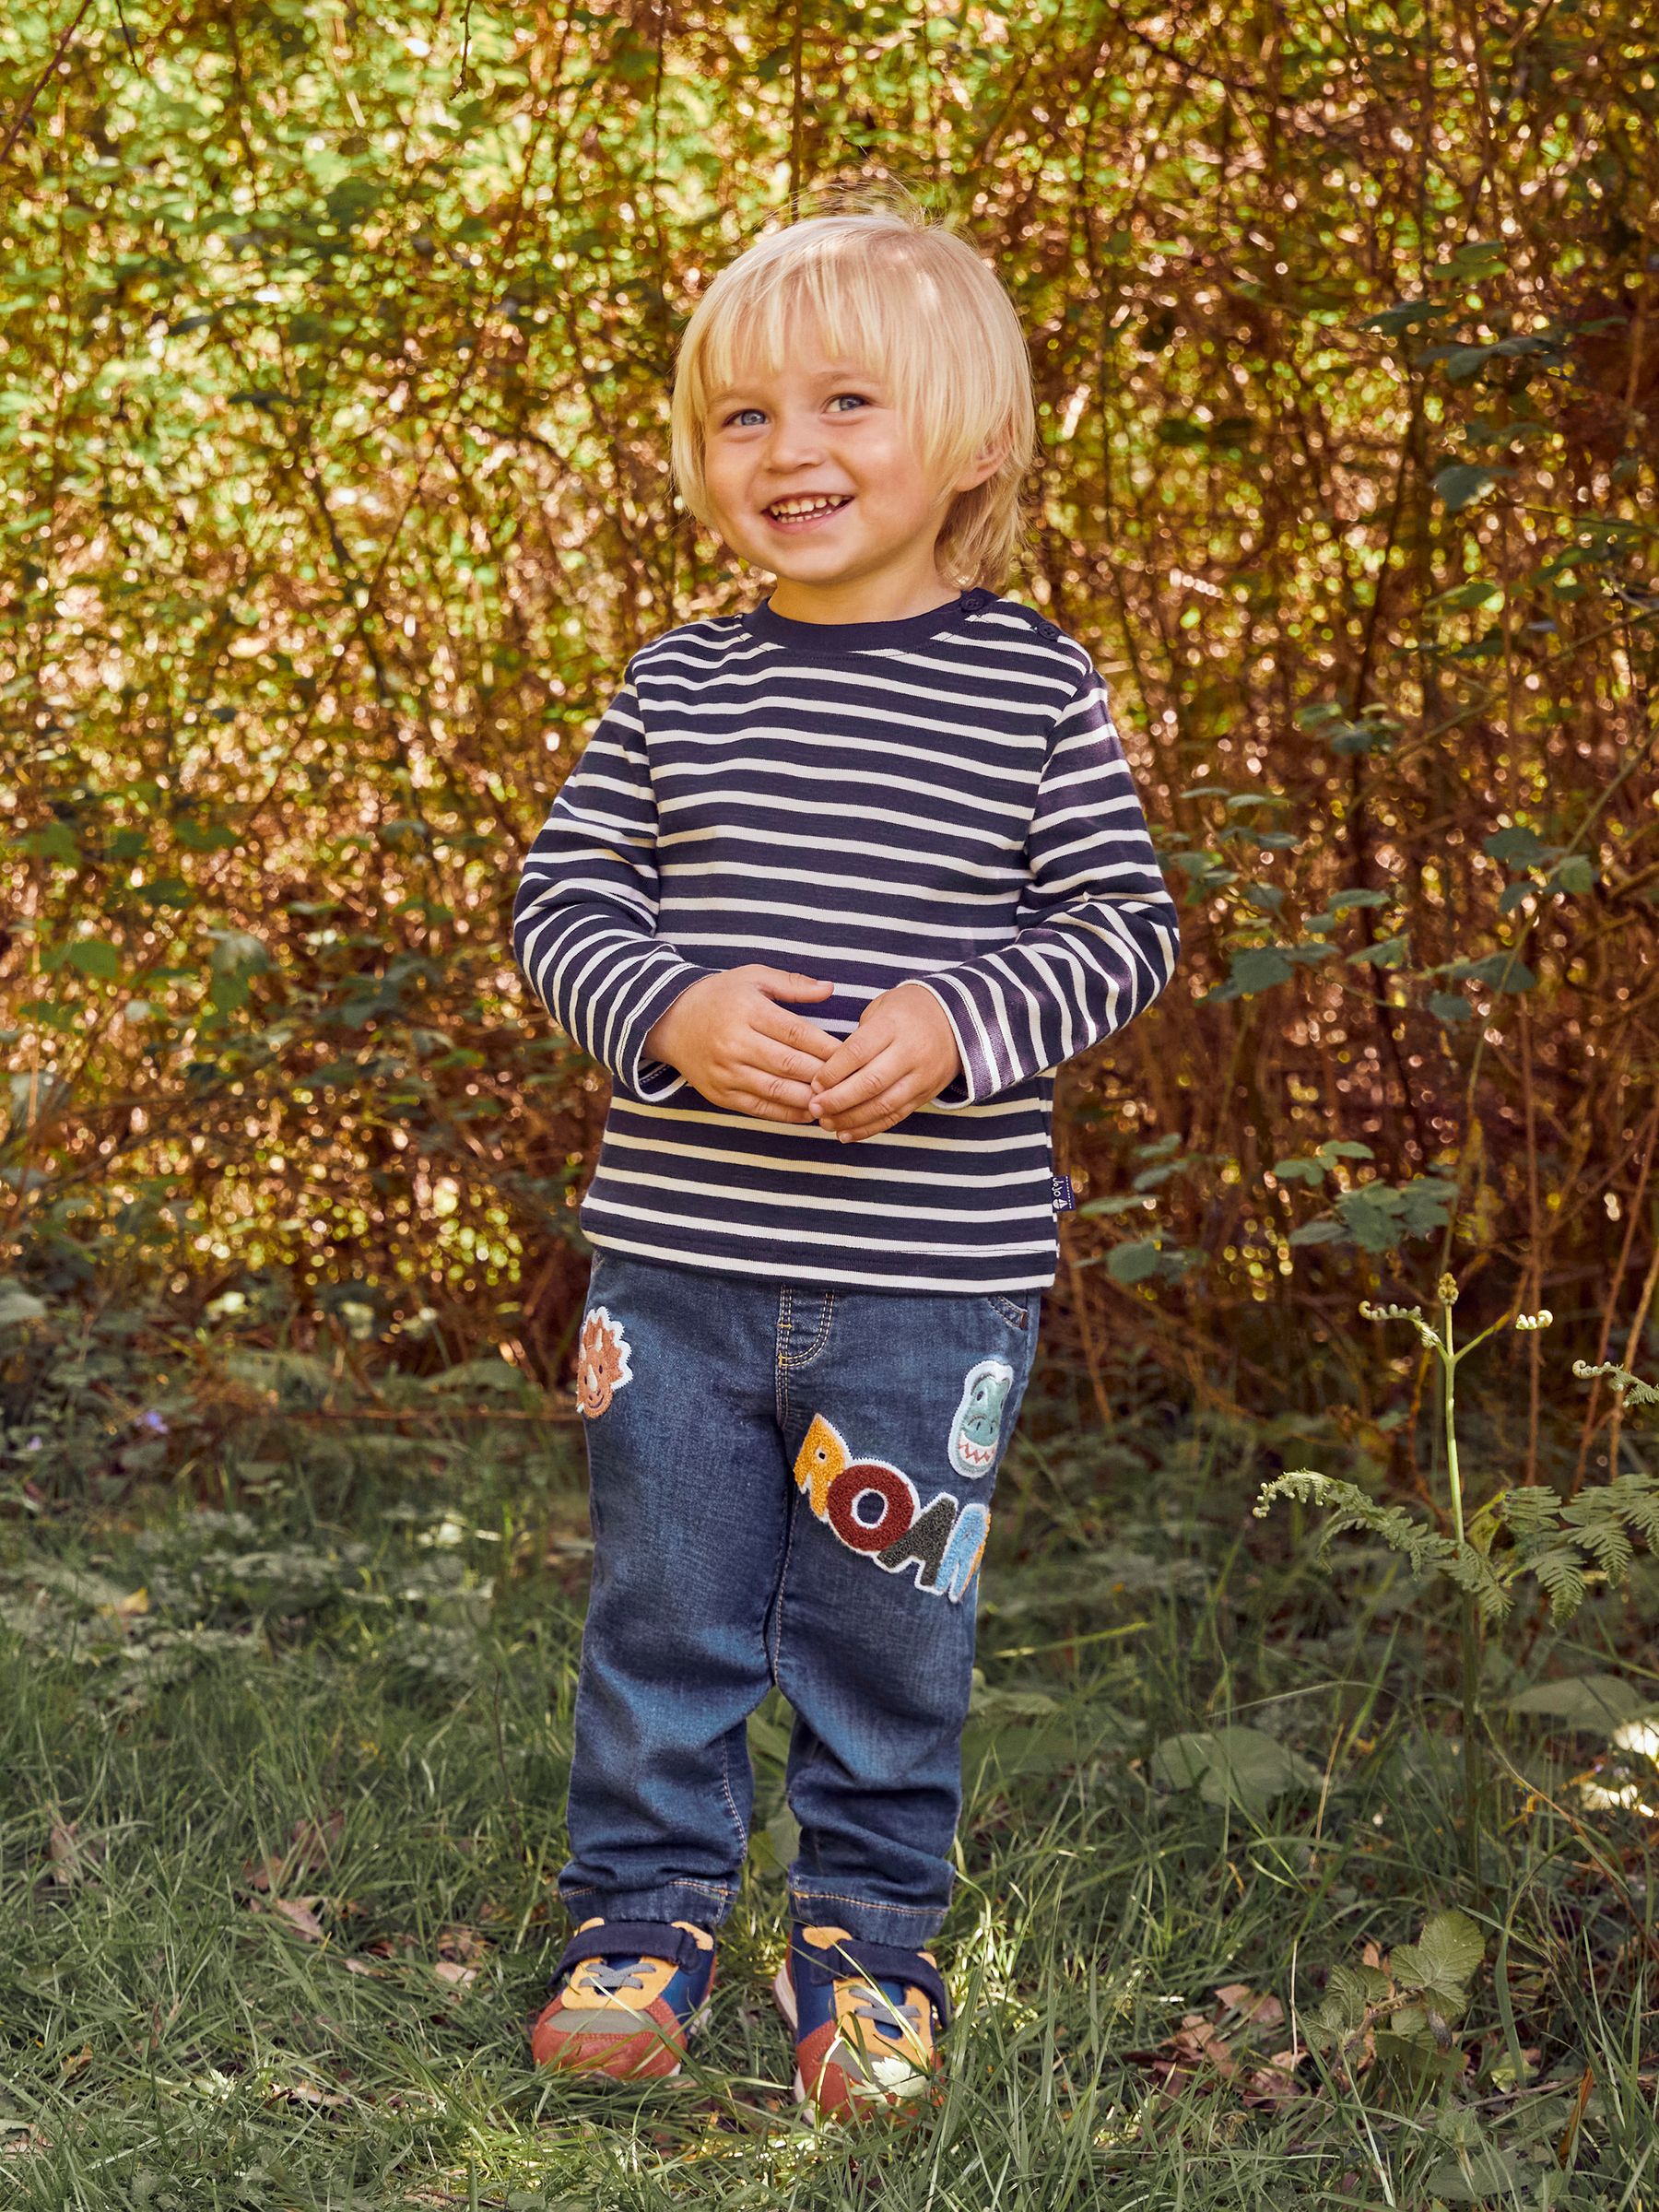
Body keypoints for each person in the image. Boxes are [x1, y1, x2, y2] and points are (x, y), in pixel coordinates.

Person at [511, 192, 1180, 2124]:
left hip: (928, 1279)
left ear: (967, 440)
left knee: (894, 1635)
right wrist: (672, 1006)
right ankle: (641, 1915)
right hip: (680, 1267)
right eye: (742, 418)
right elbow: (562, 899)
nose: (789, 453)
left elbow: (1118, 929)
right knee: (668, 1606)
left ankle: (870, 1948)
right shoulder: (678, 685)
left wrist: (961, 1021)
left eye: (846, 405)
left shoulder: (1031, 688)